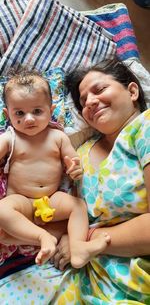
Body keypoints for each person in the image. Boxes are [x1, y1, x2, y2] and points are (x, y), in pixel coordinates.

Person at [0, 60, 150, 305]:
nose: (89, 102)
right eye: (82, 101)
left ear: (132, 91)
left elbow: (79, 217)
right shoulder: (83, 149)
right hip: (77, 273)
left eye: (99, 90)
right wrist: (22, 235)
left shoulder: (146, 127)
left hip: (130, 276)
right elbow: (64, 216)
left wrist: (83, 239)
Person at [0, 68, 110, 268]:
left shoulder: (58, 137)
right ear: (7, 114)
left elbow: (72, 159)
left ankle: (78, 247)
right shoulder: (10, 138)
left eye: (37, 111)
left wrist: (75, 167)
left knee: (78, 206)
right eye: (19, 113)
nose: (29, 119)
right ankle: (43, 237)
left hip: (52, 199)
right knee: (2, 210)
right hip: (21, 201)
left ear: (50, 111)